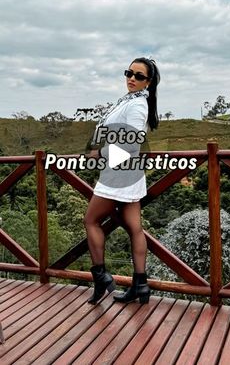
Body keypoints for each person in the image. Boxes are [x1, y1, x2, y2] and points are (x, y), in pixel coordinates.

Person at [83, 57, 160, 304]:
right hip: (128, 172)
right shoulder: (131, 101)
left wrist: (101, 153)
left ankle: (101, 277)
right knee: (134, 227)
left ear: (148, 82)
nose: (131, 78)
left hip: (120, 172)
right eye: (129, 73)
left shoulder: (137, 105)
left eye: (139, 76)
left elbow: (132, 143)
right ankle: (140, 285)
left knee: (91, 220)